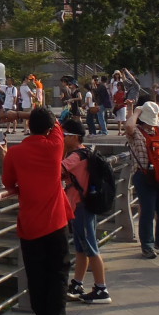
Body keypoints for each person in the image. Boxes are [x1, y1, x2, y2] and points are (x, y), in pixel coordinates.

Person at [0, 107, 75, 315]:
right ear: (50, 129)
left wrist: (5, 154)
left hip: (30, 224)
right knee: (58, 275)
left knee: (37, 276)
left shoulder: (15, 153)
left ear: (28, 128)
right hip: (56, 221)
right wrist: (21, 115)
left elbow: (8, 182)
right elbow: (56, 121)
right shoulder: (55, 146)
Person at [61, 119, 111, 305]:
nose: (62, 139)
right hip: (82, 204)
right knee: (81, 248)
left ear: (74, 137)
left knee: (90, 247)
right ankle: (77, 284)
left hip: (81, 205)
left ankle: (101, 289)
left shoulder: (76, 156)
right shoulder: (84, 152)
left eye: (64, 136)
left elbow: (56, 170)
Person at [126, 100, 159, 258]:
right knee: (148, 211)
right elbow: (129, 126)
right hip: (144, 175)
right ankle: (147, 245)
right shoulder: (136, 132)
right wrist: (136, 111)